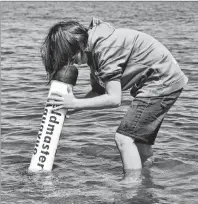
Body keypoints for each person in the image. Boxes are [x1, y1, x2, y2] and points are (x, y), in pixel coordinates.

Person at [41, 17, 188, 182]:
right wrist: (72, 108)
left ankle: (130, 189)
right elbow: (99, 92)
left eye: (68, 56)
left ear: (80, 45)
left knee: (124, 138)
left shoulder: (104, 50)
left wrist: (75, 102)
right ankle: (145, 185)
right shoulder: (94, 50)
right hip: (166, 80)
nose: (68, 61)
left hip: (161, 81)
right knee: (140, 145)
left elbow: (114, 99)